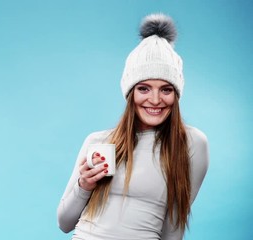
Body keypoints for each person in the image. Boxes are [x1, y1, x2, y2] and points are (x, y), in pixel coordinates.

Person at [57, 13, 209, 240]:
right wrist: (84, 185)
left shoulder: (191, 143)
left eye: (166, 89)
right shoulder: (99, 141)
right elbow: (64, 223)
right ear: (130, 93)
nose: (156, 100)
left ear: (176, 95)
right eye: (144, 88)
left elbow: (173, 228)